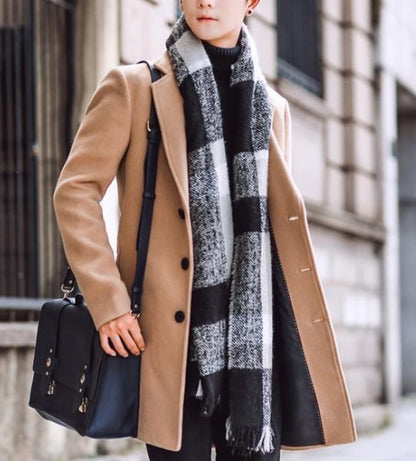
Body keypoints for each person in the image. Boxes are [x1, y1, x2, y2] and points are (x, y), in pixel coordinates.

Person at [53, 0, 357, 460]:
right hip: (172, 348)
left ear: (252, 3)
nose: (205, 1)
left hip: (252, 351)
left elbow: (271, 236)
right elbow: (75, 192)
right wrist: (108, 302)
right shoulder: (135, 89)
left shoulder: (272, 108)